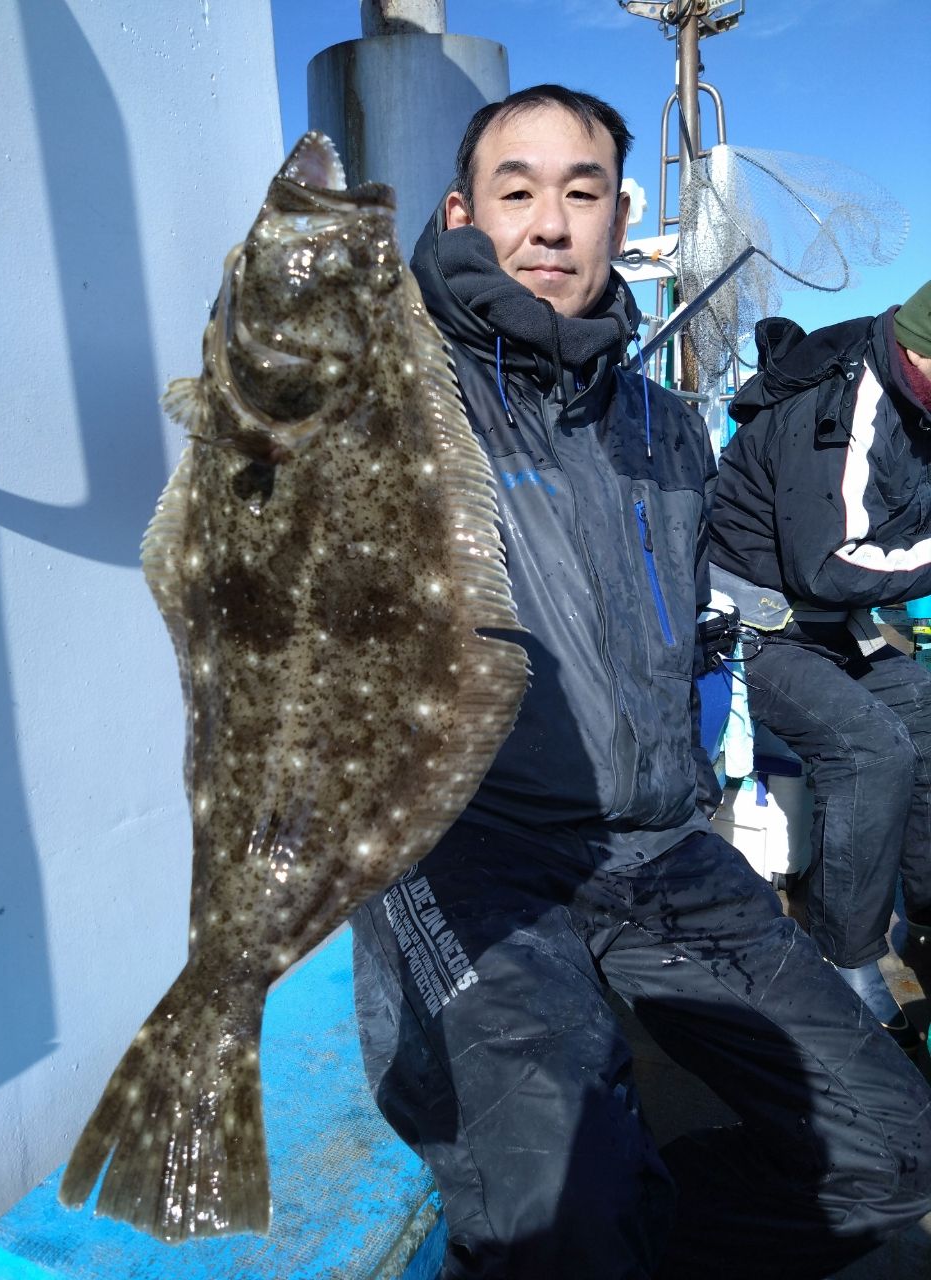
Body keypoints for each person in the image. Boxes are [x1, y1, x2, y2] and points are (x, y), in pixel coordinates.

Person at [350, 86, 931, 1280]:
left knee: (900, 1151)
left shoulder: (668, 425)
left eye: (583, 191)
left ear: (623, 216)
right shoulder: (388, 400)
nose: (551, 224)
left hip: (661, 847)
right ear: (463, 212)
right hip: (474, 853)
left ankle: (634, 1230)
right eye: (517, 191)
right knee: (569, 1213)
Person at [708, 281, 931, 1055]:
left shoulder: (918, 402)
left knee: (924, 715)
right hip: (757, 631)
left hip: (836, 625)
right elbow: (827, 565)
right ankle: (847, 956)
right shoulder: (847, 407)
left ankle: (924, 917)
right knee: (871, 752)